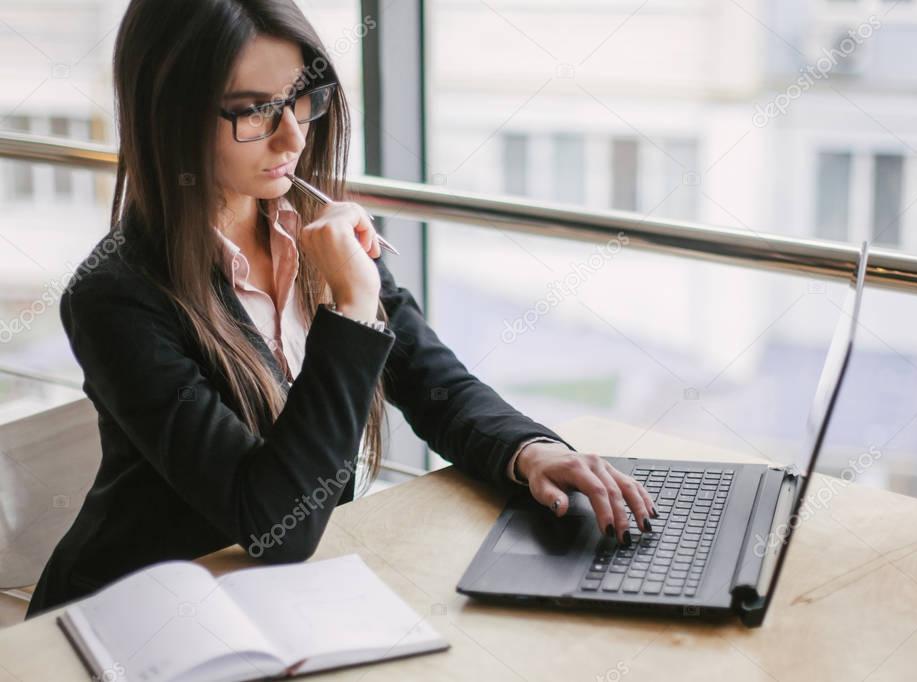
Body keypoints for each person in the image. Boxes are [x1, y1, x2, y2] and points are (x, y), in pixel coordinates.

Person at [26, 0, 655, 618]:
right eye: (253, 111)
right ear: (168, 114)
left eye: (301, 97)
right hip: (133, 618)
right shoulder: (114, 297)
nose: (294, 135)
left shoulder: (314, 230)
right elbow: (276, 525)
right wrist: (353, 304)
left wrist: (529, 451)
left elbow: (435, 385)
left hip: (271, 602)